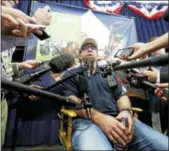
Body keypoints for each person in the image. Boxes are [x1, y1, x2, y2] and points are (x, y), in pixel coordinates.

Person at [60, 38, 168, 150]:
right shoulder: (71, 74)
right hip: (87, 123)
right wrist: (101, 119)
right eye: (85, 48)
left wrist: (125, 111)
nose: (90, 49)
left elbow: (121, 96)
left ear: (98, 54)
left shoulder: (107, 74)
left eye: (93, 48)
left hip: (118, 120)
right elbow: (71, 100)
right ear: (80, 54)